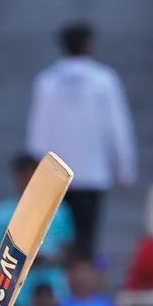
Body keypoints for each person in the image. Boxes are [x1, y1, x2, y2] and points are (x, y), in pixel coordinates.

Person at [26, 23, 136, 258]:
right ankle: (80, 289)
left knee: (54, 240)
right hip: (92, 173)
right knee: (86, 239)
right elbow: (117, 126)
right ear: (89, 44)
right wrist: (125, 168)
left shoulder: (47, 81)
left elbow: (37, 130)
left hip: (55, 176)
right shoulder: (104, 79)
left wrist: (35, 174)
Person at [0, 154, 76, 306]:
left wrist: (47, 261)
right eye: (24, 176)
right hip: (15, 289)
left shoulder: (60, 210)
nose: (28, 181)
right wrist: (25, 262)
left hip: (53, 285)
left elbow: (68, 251)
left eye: (32, 176)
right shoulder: (1, 213)